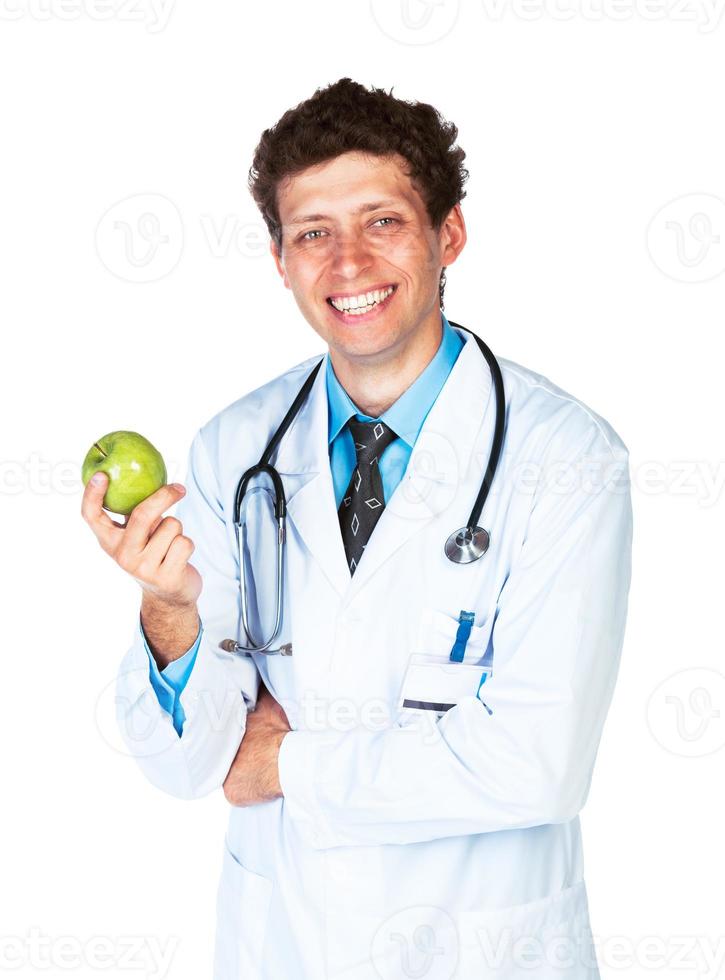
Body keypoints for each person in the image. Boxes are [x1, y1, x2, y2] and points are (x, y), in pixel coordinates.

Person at [81, 77, 633, 979]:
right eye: (313, 234)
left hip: (482, 948)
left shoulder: (566, 456)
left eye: (380, 221)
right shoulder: (232, 450)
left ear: (446, 233)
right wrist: (170, 614)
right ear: (279, 258)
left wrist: (283, 764)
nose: (347, 264)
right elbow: (189, 767)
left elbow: (538, 765)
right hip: (285, 939)